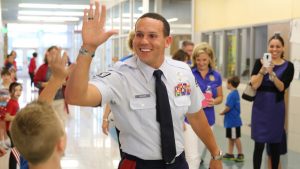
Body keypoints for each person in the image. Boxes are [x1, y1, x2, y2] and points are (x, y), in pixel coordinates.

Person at [65, 2, 222, 169]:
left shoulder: (182, 72)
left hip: (178, 163)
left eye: (152, 36)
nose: (144, 41)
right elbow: (75, 96)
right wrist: (88, 48)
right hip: (138, 164)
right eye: (139, 35)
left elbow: (196, 116)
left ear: (167, 41)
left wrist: (215, 153)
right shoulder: (119, 75)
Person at [10, 48, 70, 169]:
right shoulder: (42, 68)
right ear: (61, 144)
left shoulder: (21, 159)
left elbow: (38, 111)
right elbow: (38, 84)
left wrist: (56, 80)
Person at [249, 34, 294, 169]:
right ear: (268, 47)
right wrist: (263, 70)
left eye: (278, 46)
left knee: (275, 146)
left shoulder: (289, 66)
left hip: (276, 108)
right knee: (259, 145)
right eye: (272, 46)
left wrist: (272, 73)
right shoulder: (259, 62)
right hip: (260, 107)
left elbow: (282, 87)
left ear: (283, 48)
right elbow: (254, 85)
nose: (274, 49)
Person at [184, 42, 223, 169]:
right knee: (192, 157)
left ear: (210, 58)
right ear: (194, 59)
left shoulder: (216, 76)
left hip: (208, 120)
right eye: (198, 59)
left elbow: (220, 97)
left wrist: (214, 101)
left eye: (204, 60)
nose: (201, 63)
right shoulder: (188, 72)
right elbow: (180, 96)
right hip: (190, 120)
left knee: (199, 156)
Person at [34, 46, 67, 123]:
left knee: (61, 120)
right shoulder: (42, 68)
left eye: (56, 53)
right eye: (52, 53)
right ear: (47, 55)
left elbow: (68, 81)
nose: (54, 55)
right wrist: (46, 84)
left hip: (60, 98)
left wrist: (63, 82)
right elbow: (36, 82)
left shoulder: (62, 68)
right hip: (46, 98)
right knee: (47, 121)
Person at [220, 76, 244, 162]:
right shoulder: (236, 93)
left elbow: (228, 107)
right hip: (232, 121)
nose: (226, 84)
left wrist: (222, 112)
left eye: (227, 83)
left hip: (233, 121)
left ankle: (240, 154)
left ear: (230, 84)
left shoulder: (231, 95)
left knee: (235, 138)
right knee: (231, 138)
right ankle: (230, 154)